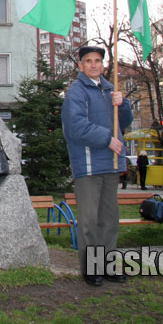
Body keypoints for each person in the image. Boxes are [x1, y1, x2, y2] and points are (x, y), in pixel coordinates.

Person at [62, 45, 133, 286]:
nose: (93, 65)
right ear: (80, 66)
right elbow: (76, 127)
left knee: (109, 221)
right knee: (90, 222)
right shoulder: (76, 92)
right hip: (89, 167)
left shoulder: (109, 89)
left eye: (97, 61)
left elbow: (124, 121)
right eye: (88, 61)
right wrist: (106, 139)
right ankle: (92, 269)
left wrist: (123, 104)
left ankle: (107, 266)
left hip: (111, 165)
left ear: (103, 65)